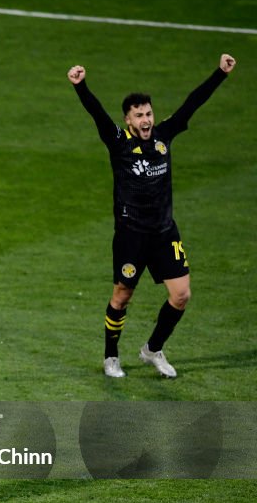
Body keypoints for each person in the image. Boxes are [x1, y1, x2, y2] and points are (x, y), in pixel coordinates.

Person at [68, 54, 237, 378]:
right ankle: (110, 356)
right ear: (128, 120)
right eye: (139, 115)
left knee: (181, 295)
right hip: (132, 234)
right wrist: (81, 86)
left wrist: (220, 73)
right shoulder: (118, 142)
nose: (146, 120)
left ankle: (152, 349)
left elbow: (192, 103)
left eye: (148, 113)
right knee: (122, 295)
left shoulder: (163, 137)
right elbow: (96, 113)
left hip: (164, 232)